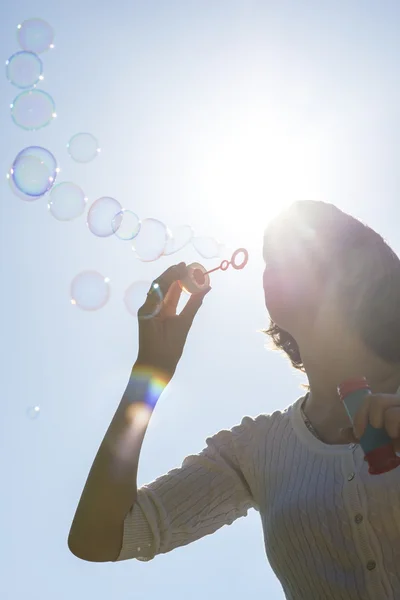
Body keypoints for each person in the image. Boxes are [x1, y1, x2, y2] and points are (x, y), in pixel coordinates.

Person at [68, 200, 400, 600]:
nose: (287, 256)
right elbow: (99, 537)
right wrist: (150, 372)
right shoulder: (253, 450)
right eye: (273, 254)